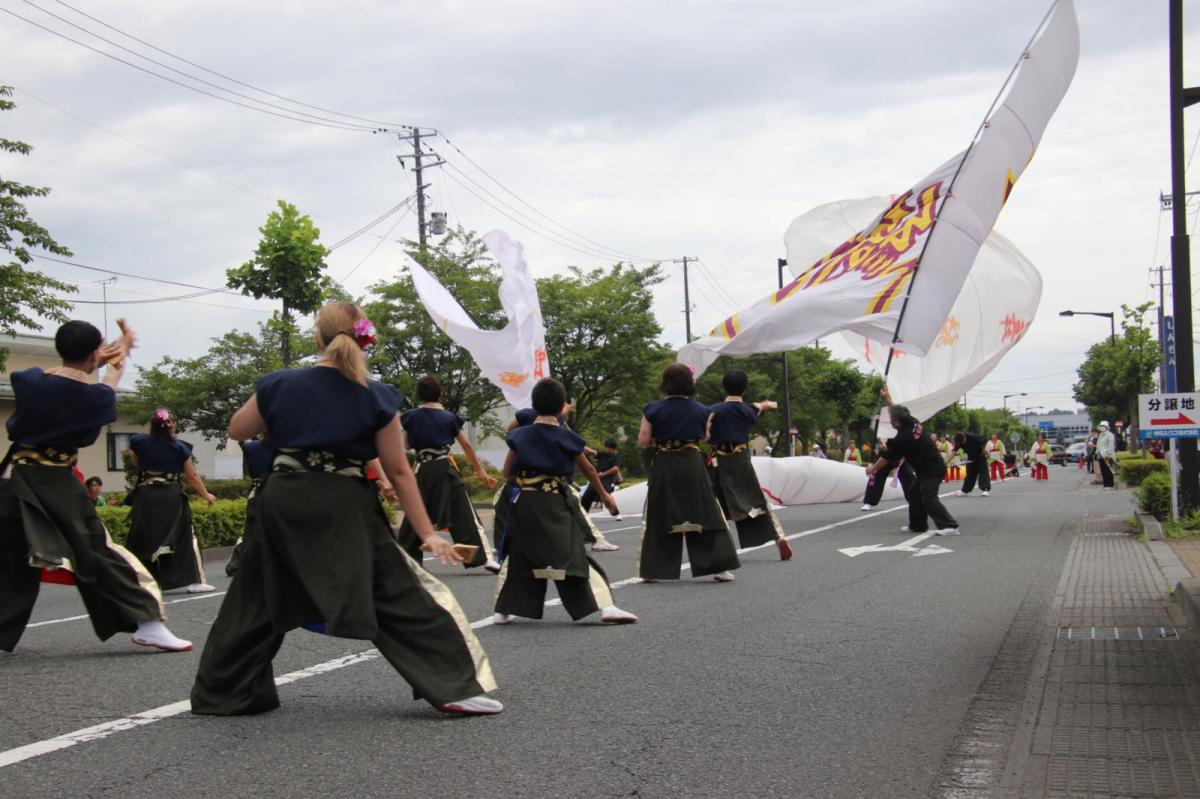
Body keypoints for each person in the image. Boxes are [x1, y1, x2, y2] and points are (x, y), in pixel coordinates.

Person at [191, 301, 501, 717]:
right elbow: (398, 471)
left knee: (256, 594)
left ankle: (223, 693)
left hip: (282, 498)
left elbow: (237, 429)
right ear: (362, 339)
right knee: (393, 589)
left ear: (317, 338)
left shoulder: (279, 383)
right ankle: (451, 685)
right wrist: (426, 531)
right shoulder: (376, 394)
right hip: (344, 500)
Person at [0, 320, 192, 653]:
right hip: (56, 479)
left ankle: (146, 622)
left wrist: (90, 360)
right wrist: (113, 364)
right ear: (93, 353)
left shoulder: (28, 379)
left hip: (13, 476)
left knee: (10, 558)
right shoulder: (94, 399)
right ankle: (147, 622)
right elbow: (105, 389)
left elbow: (51, 377)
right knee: (94, 552)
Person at [493, 378, 638, 626]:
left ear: (534, 405)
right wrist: (605, 495)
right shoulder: (567, 437)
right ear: (562, 406)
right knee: (572, 553)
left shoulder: (519, 436)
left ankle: (504, 610)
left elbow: (508, 472)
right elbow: (590, 470)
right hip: (553, 502)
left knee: (521, 555)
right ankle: (605, 606)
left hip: (525, 503)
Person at [637, 364, 740, 583]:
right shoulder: (703, 410)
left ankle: (654, 571)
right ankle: (719, 567)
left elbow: (644, 440)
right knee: (705, 511)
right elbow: (704, 437)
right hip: (692, 463)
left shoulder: (652, 409)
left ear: (665, 384)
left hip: (664, 462)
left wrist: (662, 438)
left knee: (660, 512)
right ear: (690, 384)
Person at [489, 406, 619, 572]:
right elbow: (588, 468)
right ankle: (504, 550)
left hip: (530, 479)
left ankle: (594, 539)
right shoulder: (529, 416)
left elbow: (507, 469)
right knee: (507, 507)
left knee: (566, 506)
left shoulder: (556, 424)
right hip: (538, 478)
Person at [395, 375, 496, 570]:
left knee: (415, 512)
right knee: (463, 511)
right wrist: (480, 471)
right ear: (439, 394)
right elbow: (466, 444)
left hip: (423, 469)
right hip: (444, 468)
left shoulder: (409, 417)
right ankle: (483, 558)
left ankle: (407, 562)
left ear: (419, 395)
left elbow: (407, 445)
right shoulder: (449, 417)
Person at [125, 408, 217, 594]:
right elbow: (191, 475)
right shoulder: (181, 447)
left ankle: (137, 580)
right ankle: (192, 580)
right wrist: (206, 494)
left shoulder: (139, 442)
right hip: (170, 494)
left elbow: (136, 463)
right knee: (182, 535)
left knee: (142, 535)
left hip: (145, 494)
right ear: (170, 425)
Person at [707, 370, 792, 560]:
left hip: (718, 460)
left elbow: (704, 433)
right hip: (740, 459)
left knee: (714, 503)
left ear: (724, 386)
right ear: (745, 388)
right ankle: (778, 538)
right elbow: (763, 406)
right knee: (754, 499)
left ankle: (723, 548)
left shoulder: (712, 410)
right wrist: (768, 404)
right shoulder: (748, 410)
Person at [865, 405, 960, 536]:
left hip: (933, 469)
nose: (890, 421)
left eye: (891, 419)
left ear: (897, 421)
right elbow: (897, 410)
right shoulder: (913, 421)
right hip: (925, 469)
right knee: (914, 494)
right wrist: (887, 399)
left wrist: (873, 468)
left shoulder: (904, 438)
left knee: (928, 497)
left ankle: (950, 526)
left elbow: (887, 458)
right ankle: (918, 525)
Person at [224, 435, 275, 578]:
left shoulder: (251, 447)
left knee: (250, 530)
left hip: (257, 492)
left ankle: (236, 563)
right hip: (278, 490)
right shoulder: (283, 447)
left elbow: (243, 440)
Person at [580, 439, 624, 522]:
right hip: (596, 479)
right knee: (586, 497)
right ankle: (583, 515)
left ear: (612, 448)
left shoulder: (616, 457)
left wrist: (603, 474)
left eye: (607, 447)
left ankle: (617, 514)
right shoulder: (602, 454)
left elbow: (615, 469)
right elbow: (591, 451)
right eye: (605, 447)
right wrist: (581, 445)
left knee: (606, 496)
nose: (605, 449)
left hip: (606, 480)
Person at [952, 431, 992, 497]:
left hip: (980, 455)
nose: (963, 443)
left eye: (963, 441)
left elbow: (985, 439)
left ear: (965, 438)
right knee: (970, 474)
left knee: (983, 472)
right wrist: (945, 463)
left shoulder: (972, 437)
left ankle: (985, 489)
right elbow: (953, 453)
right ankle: (965, 491)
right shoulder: (958, 441)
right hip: (971, 457)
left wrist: (983, 449)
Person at [1096, 420, 1116, 490]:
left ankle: (1110, 484)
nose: (1102, 428)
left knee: (1108, 470)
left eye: (1103, 426)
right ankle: (1105, 484)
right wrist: (1097, 452)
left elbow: (1111, 446)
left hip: (1107, 455)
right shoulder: (1101, 435)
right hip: (1101, 455)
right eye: (1101, 426)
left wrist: (1109, 454)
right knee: (1103, 470)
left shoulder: (1109, 435)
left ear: (1107, 427)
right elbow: (1099, 445)